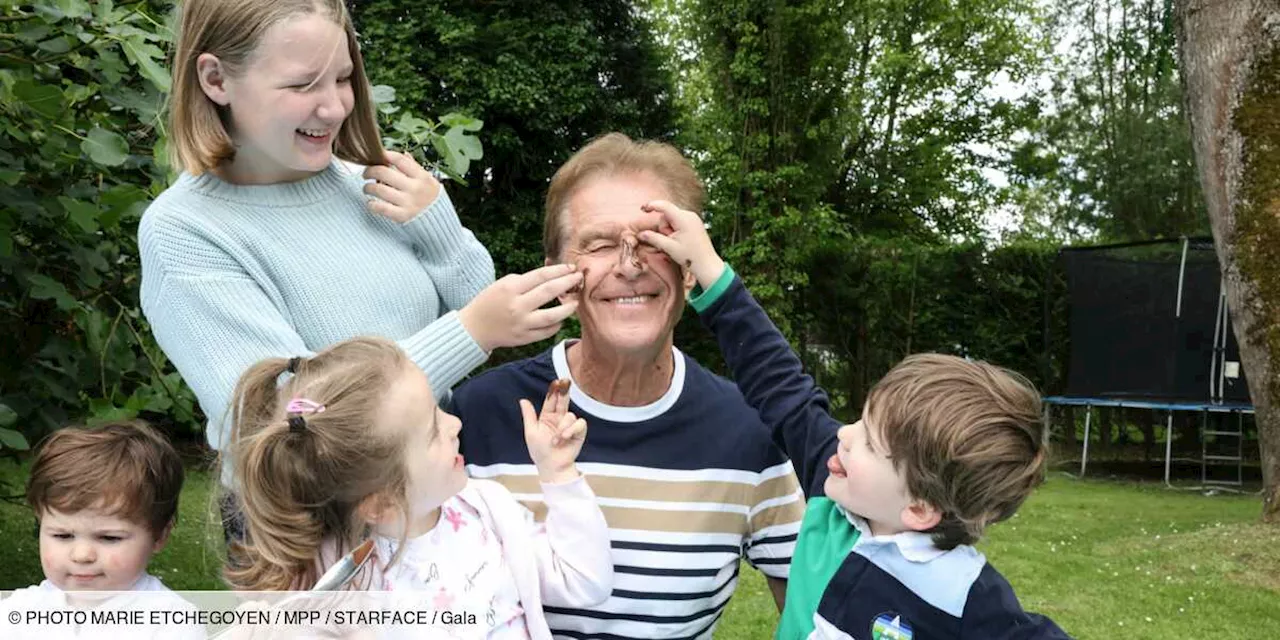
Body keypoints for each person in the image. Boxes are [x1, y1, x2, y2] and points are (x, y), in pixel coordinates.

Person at [139, 0, 582, 505]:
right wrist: (471, 332)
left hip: (425, 493)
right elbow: (290, 419)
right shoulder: (185, 231)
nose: (334, 107)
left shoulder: (366, 184)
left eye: (343, 78)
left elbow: (481, 304)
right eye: (303, 85)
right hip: (310, 528)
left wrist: (438, 227)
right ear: (216, 79)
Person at [638, 200, 1073, 639]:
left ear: (920, 508)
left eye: (870, 443)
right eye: (860, 421)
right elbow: (780, 385)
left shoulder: (968, 599)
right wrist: (708, 268)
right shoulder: (835, 494)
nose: (844, 436)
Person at [450, 133, 805, 639]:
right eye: (598, 244)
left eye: (653, 242)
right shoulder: (479, 416)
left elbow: (816, 612)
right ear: (558, 272)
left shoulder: (748, 431)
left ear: (689, 266)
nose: (630, 264)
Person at [224, 336, 613, 639]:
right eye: (431, 430)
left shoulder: (488, 513)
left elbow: (583, 582)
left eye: (438, 408)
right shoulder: (333, 586)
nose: (455, 425)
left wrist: (559, 472)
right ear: (380, 505)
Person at [0, 422, 202, 640]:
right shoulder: (18, 612)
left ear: (160, 535)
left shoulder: (171, 623)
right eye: (62, 535)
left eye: (109, 538)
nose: (82, 555)